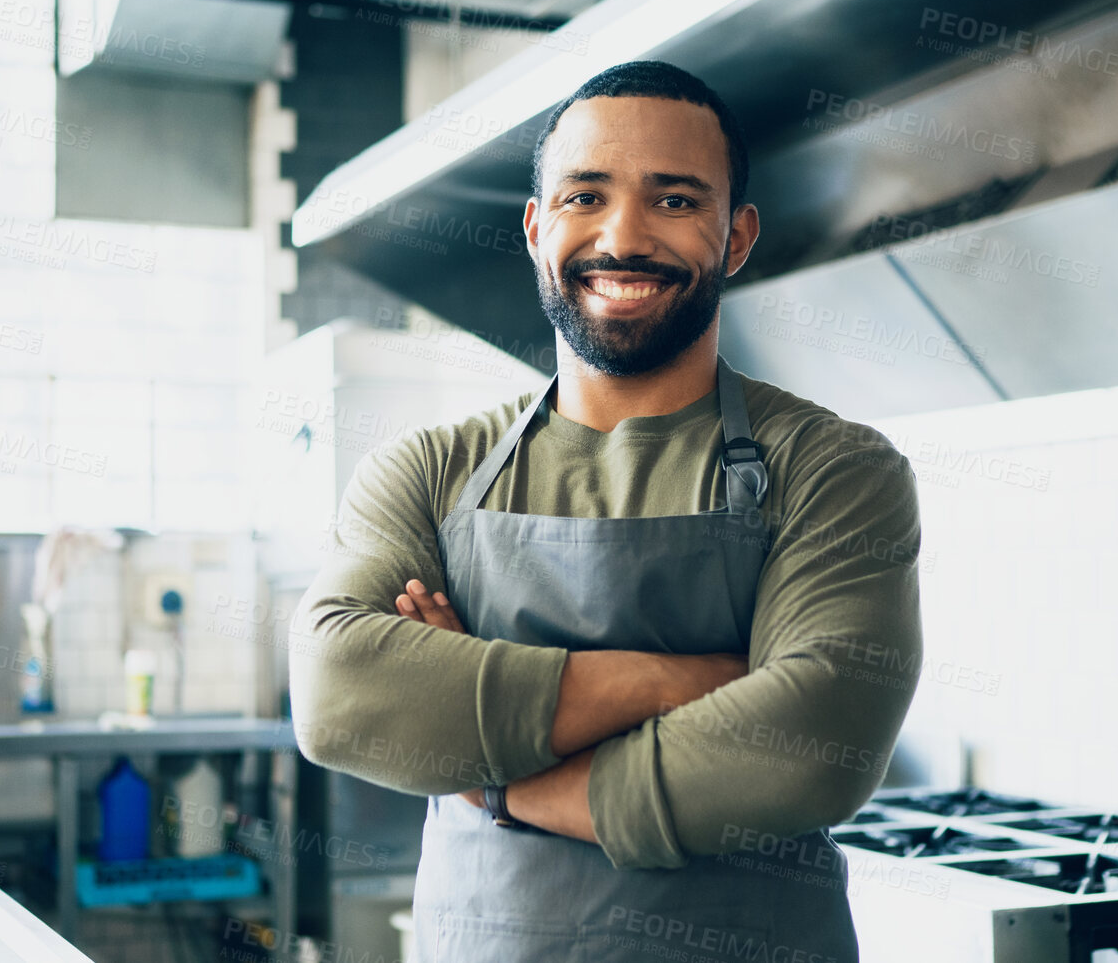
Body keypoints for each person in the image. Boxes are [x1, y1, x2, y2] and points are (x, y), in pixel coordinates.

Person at [288, 59, 923, 962]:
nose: (622, 236)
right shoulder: (429, 471)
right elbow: (338, 693)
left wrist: (500, 777)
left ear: (736, 236)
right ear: (537, 227)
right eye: (586, 196)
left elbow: (815, 741)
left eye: (674, 201)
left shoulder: (833, 468)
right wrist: (678, 680)